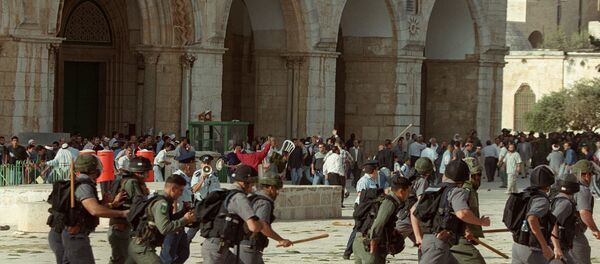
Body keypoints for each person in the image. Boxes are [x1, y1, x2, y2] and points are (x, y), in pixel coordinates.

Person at [411, 160, 491, 264]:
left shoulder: (433, 189)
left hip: (433, 241)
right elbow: (462, 213)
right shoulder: (456, 191)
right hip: (438, 244)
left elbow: (413, 211)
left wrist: (418, 237)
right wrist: (481, 222)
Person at [58, 154, 128, 264]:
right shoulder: (84, 186)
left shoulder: (81, 182)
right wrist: (122, 213)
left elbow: (85, 209)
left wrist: (107, 204)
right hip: (76, 236)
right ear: (93, 169)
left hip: (73, 235)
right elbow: (94, 210)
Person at [126, 175, 197, 264]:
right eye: (180, 190)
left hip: (137, 245)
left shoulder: (162, 200)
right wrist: (185, 219)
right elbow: (165, 228)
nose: (181, 194)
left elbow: (167, 220)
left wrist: (183, 212)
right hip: (141, 247)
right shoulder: (162, 204)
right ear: (173, 189)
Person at [201, 165, 263, 264]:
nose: (253, 186)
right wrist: (261, 224)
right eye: (252, 183)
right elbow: (253, 227)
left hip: (219, 248)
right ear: (244, 182)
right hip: (216, 250)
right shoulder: (239, 197)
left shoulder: (229, 192)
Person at [352, 175, 411, 264]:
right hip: (368, 246)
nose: (409, 194)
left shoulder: (384, 198)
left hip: (360, 241)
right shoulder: (389, 203)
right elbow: (378, 223)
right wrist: (373, 246)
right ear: (401, 191)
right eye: (408, 191)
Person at [237, 171, 293, 263]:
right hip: (249, 247)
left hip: (243, 245)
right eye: (277, 189)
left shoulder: (252, 197)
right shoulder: (264, 203)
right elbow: (263, 226)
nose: (278, 193)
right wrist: (281, 240)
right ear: (271, 187)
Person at [108, 157, 152, 264]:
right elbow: (139, 204)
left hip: (123, 229)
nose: (147, 176)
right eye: (146, 173)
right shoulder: (132, 183)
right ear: (139, 173)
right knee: (121, 260)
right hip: (120, 229)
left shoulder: (129, 181)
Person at [511, 165, 557, 264]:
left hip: (517, 245)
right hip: (532, 249)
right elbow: (532, 219)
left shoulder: (525, 195)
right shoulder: (542, 200)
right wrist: (544, 246)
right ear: (548, 185)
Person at [161, 151, 196, 263]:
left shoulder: (186, 178)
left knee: (183, 252)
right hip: (174, 221)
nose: (196, 167)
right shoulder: (177, 177)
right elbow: (172, 198)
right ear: (188, 166)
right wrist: (176, 218)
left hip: (181, 220)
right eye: (194, 164)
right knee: (168, 255)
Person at [450, 157, 486, 263]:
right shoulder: (464, 190)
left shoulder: (471, 190)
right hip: (458, 238)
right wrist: (466, 230)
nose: (479, 178)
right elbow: (455, 211)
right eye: (476, 175)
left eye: (479, 174)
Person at [343, 160, 381, 259]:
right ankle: (347, 252)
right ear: (373, 170)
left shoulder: (373, 180)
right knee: (358, 230)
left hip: (370, 208)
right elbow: (362, 197)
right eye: (376, 170)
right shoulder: (363, 181)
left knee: (368, 230)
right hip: (362, 208)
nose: (377, 172)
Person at [569, 160, 600, 264]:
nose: (589, 178)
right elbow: (584, 213)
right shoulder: (582, 190)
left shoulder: (564, 186)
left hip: (554, 236)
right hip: (573, 235)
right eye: (589, 174)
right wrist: (595, 230)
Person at [186, 154, 221, 242]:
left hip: (211, 203)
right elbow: (193, 189)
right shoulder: (197, 174)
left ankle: (208, 242)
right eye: (204, 163)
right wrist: (202, 179)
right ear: (201, 164)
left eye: (208, 163)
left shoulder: (214, 175)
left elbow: (216, 190)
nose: (206, 165)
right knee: (195, 225)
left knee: (211, 224)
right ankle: (186, 240)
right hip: (200, 202)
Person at [549, 173, 580, 264]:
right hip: (558, 247)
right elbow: (552, 222)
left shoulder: (557, 198)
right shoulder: (566, 204)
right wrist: (557, 247)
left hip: (558, 246)